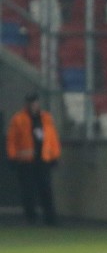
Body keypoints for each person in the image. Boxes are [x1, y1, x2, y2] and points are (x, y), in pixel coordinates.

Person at [6, 92, 61, 225]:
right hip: (26, 161)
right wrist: (12, 157)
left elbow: (52, 138)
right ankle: (31, 218)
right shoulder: (18, 119)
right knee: (28, 191)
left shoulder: (46, 118)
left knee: (46, 189)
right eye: (31, 102)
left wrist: (55, 155)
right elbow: (12, 140)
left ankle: (50, 218)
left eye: (35, 102)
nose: (33, 105)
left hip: (43, 159)